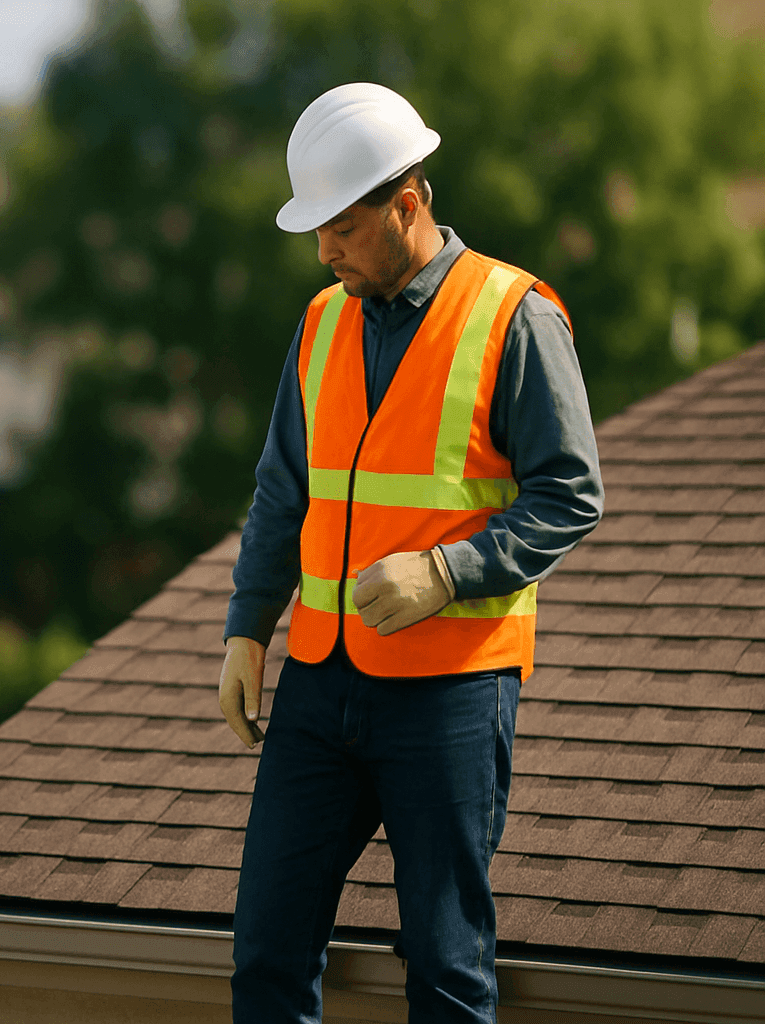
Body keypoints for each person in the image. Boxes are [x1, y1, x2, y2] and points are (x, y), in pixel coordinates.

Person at [217, 82, 603, 1022]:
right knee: (266, 951)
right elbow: (283, 491)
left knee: (445, 968)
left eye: (342, 227)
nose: (324, 250)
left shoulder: (515, 316)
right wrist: (247, 629)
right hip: (319, 680)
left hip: (452, 692)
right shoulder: (320, 323)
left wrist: (445, 571)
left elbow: (572, 496)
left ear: (407, 202)